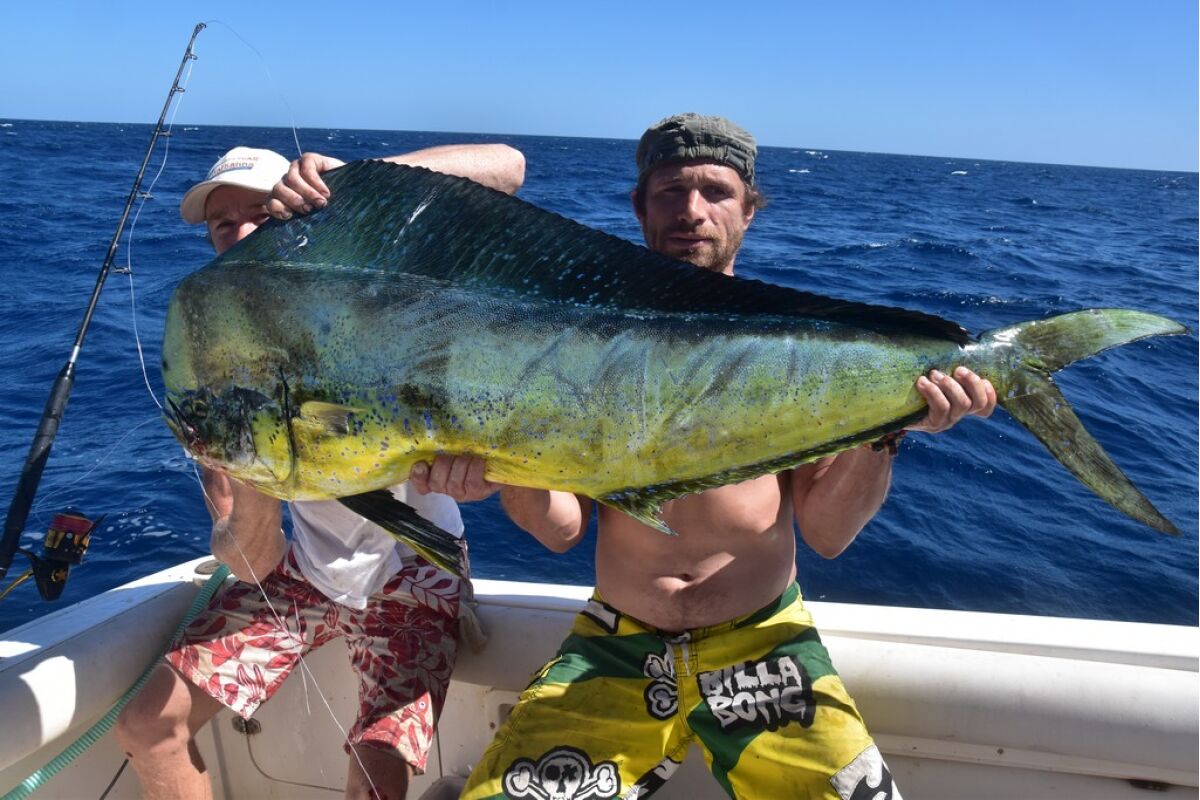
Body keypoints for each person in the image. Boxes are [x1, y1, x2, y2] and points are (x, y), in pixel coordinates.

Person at [410, 114, 996, 800]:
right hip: (615, 646)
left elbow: (828, 534)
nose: (691, 210)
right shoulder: (580, 347)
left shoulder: (795, 353)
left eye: (716, 191)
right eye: (671, 191)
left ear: (749, 210)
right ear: (640, 206)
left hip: (765, 647)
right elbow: (560, 529)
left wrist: (886, 430)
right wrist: (504, 468)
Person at [115, 142, 526, 800]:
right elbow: (250, 559)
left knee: (376, 767)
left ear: (301, 213)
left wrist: (350, 180)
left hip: (416, 566)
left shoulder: (374, 292)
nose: (241, 235)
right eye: (224, 224)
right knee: (147, 725)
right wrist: (253, 484)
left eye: (261, 214)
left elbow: (508, 167)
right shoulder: (216, 357)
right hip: (304, 571)